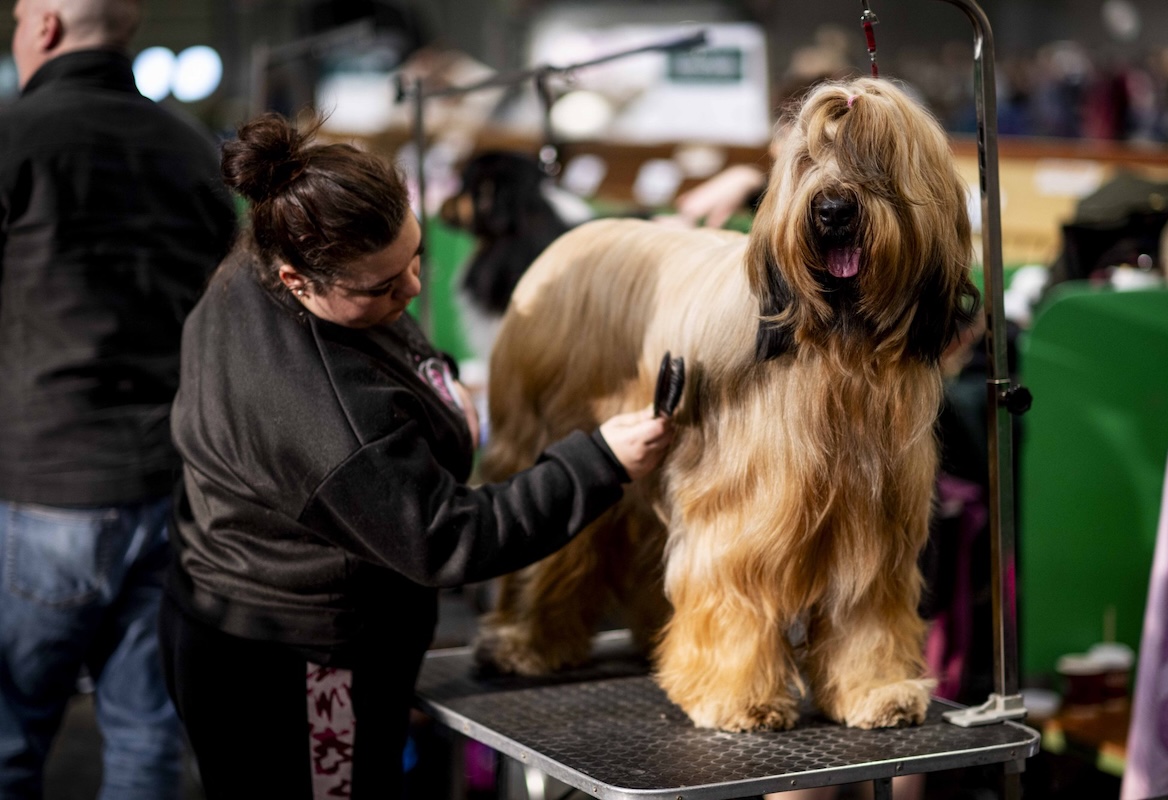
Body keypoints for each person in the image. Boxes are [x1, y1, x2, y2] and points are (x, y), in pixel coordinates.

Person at [159, 112, 674, 800]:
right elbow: (448, 537)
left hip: (251, 612)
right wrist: (597, 463)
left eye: (414, 257)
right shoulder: (333, 423)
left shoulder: (262, 254)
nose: (410, 289)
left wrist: (433, 392)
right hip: (295, 662)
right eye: (380, 287)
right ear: (297, 279)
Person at [0, 0, 237, 796]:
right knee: (146, 739)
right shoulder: (192, 150)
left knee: (8, 741)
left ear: (44, 27)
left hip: (42, 493)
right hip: (173, 489)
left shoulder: (12, 140)